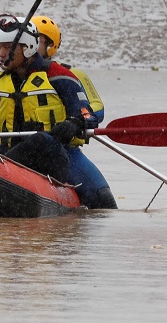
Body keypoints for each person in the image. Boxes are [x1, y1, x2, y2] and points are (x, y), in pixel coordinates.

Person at [0, 14, 105, 205]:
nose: (1, 53)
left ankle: (3, 173)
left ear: (28, 48)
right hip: (1, 152)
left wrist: (74, 123)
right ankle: (3, 173)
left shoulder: (60, 76)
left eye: (8, 47)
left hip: (55, 152)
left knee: (102, 197)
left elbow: (88, 115)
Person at [31, 15, 117, 209]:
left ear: (51, 45)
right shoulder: (8, 77)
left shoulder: (71, 75)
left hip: (65, 149)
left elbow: (97, 109)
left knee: (102, 197)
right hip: (26, 146)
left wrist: (76, 122)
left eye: (38, 41)